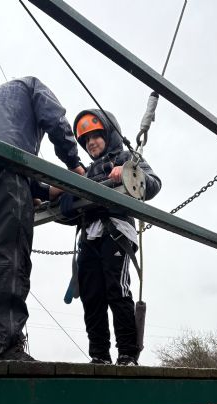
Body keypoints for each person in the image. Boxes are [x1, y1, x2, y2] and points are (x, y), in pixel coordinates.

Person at [0, 76, 84, 361]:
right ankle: (5, 347)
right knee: (6, 258)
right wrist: (74, 164)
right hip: (4, 168)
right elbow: (56, 121)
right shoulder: (32, 86)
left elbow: (5, 146)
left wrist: (40, 190)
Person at [70, 109, 161, 365]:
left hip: (116, 231)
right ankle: (99, 354)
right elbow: (70, 210)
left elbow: (153, 184)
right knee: (91, 294)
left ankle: (127, 353)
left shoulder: (125, 157)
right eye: (86, 140)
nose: (91, 143)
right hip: (90, 234)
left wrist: (128, 171)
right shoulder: (88, 172)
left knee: (117, 289)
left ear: (108, 135)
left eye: (95, 136)